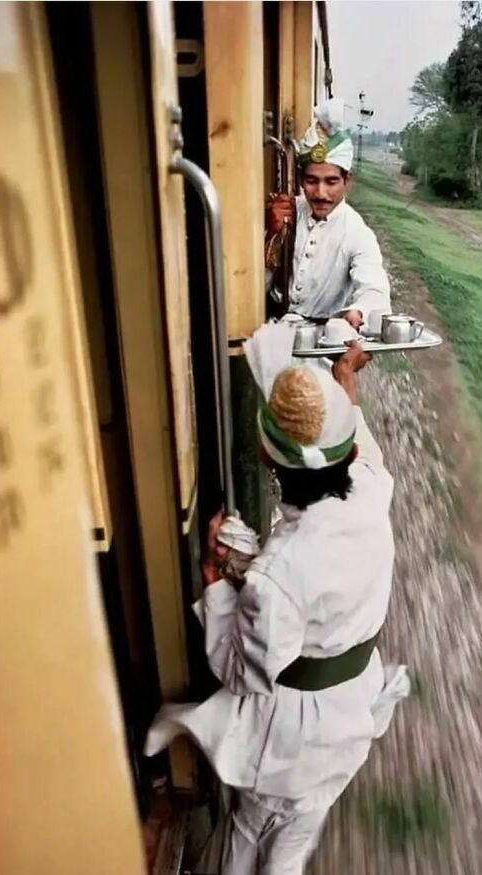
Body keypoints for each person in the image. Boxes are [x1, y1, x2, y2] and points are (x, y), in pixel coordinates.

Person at [145, 322, 409, 874]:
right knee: (298, 835)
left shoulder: (279, 574)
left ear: (267, 462)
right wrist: (343, 380)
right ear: (350, 447)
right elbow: (356, 438)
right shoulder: (371, 484)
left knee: (248, 832)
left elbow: (243, 674)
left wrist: (215, 579)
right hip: (349, 717)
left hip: (292, 741)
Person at [266, 98, 391, 330]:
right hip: (273, 336)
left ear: (347, 181)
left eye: (331, 181)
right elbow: (254, 284)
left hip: (324, 346)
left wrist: (359, 310)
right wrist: (270, 234)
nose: (321, 193)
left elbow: (375, 289)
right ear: (302, 180)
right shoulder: (285, 212)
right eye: (312, 181)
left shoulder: (356, 231)